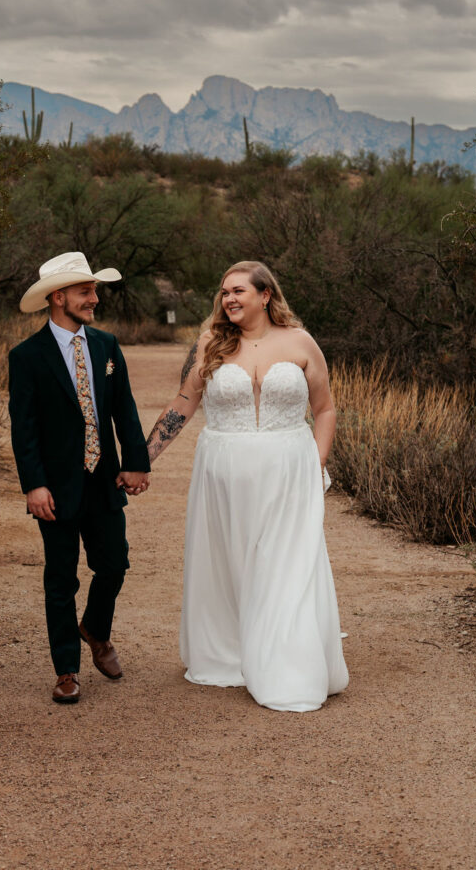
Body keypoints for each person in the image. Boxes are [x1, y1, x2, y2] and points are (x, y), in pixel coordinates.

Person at [146, 260, 349, 712]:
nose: (229, 299)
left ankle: (288, 664)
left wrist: (314, 467)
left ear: (265, 295)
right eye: (224, 293)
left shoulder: (300, 342)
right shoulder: (210, 344)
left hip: (289, 470)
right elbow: (184, 402)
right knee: (230, 561)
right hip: (223, 471)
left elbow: (325, 409)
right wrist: (143, 460)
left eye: (238, 291)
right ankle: (231, 652)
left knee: (287, 564)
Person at [8, 252, 151, 704]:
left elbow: (122, 408)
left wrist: (136, 461)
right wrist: (33, 484)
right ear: (58, 297)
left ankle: (96, 629)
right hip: (55, 487)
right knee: (60, 578)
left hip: (103, 480)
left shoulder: (107, 346)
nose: (94, 298)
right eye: (85, 291)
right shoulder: (27, 357)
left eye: (93, 290)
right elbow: (23, 426)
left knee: (114, 564)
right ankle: (66, 668)